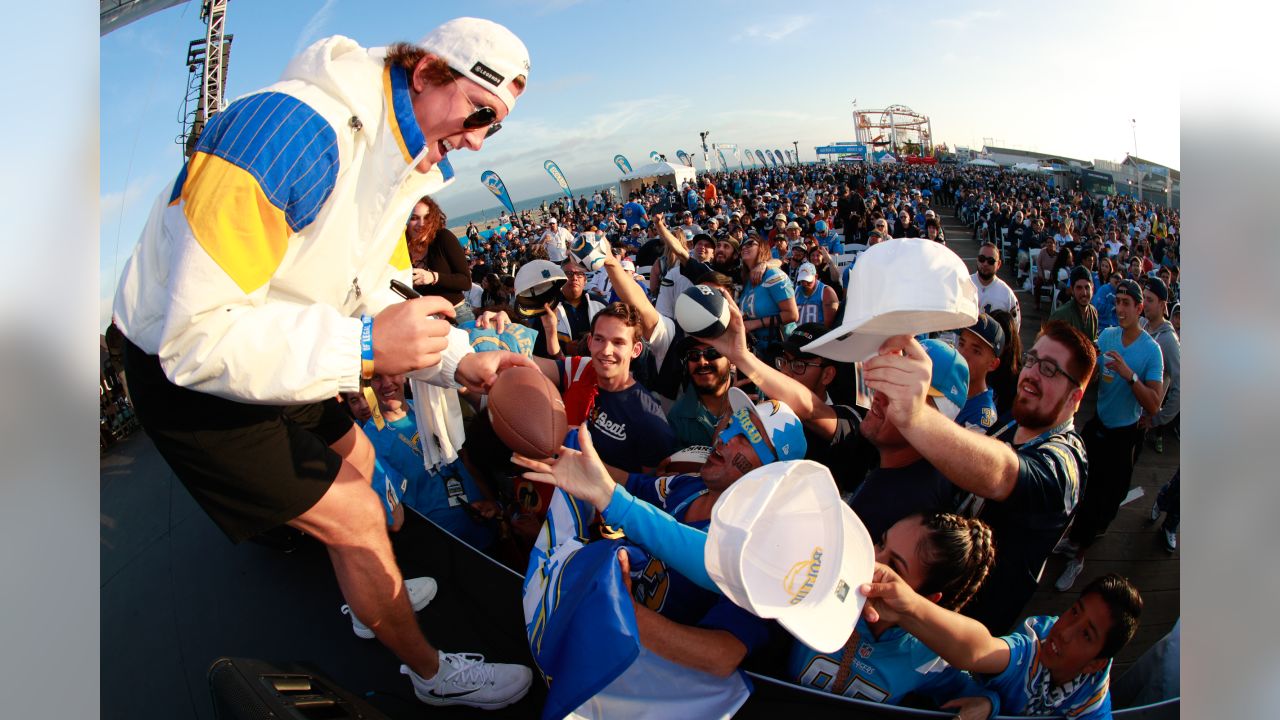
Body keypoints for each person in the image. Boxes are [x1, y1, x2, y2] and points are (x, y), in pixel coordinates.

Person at [112, 18, 535, 708]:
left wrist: (461, 361)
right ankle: (433, 678)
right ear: (425, 71)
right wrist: (365, 351)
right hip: (186, 373)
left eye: (496, 127)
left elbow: (381, 292)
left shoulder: (399, 160)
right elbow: (194, 339)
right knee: (358, 517)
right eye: (479, 112)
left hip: (280, 338)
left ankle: (370, 604)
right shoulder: (284, 136)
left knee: (365, 470)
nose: (478, 138)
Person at [512, 392, 807, 678]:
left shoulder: (755, 554)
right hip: (593, 636)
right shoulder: (688, 485)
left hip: (635, 678)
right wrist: (568, 453)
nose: (724, 439)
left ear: (771, 472)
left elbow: (721, 656)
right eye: (731, 425)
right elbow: (630, 484)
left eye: (747, 438)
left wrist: (628, 612)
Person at [861, 323, 1096, 635]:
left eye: (1050, 370)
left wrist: (914, 415)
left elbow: (1002, 474)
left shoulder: (1067, 462)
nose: (1032, 375)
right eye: (1032, 360)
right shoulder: (1011, 427)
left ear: (1075, 396)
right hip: (925, 611)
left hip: (967, 636)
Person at [862, 570, 1143, 720]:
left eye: (1086, 634)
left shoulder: (1092, 705)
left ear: (1097, 664)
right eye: (1074, 611)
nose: (1065, 632)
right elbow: (979, 651)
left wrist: (990, 706)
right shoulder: (1032, 648)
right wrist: (908, 608)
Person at [1055, 281, 1162, 592]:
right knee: (1079, 487)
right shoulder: (1108, 335)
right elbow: (1089, 374)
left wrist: (1131, 376)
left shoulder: (1151, 351)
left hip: (1122, 437)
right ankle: (1072, 539)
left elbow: (1154, 404)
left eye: (1128, 303)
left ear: (1140, 308)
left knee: (1104, 499)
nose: (1120, 308)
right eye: (1118, 302)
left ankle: (1080, 556)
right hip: (1097, 425)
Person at [406, 196, 475, 324]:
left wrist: (433, 277)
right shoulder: (401, 249)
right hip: (426, 320)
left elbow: (466, 282)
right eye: (414, 218)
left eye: (426, 218)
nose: (421, 224)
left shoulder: (443, 238)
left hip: (457, 315)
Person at [666, 339, 734, 451]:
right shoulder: (677, 418)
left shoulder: (756, 396)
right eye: (694, 355)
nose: (702, 362)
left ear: (731, 359)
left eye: (712, 353)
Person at [1139, 278, 1179, 455]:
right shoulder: (1142, 325)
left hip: (1140, 421)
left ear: (1163, 305)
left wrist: (1158, 419)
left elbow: (1181, 386)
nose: (1144, 304)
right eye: (1143, 298)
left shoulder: (1169, 340)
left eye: (1150, 300)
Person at [954, 315, 1003, 434]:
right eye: (961, 344)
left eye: (976, 351)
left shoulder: (982, 415)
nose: (963, 355)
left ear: (993, 364)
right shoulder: (949, 385)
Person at [971, 242, 1021, 332]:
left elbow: (1014, 328)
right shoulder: (964, 284)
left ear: (998, 264)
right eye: (982, 259)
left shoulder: (1007, 294)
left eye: (990, 261)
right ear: (977, 260)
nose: (985, 264)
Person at [1047, 266, 1099, 343]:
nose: (1084, 293)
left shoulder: (1093, 312)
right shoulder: (1061, 315)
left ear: (1092, 289)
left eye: (1087, 287)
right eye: (1079, 288)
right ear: (1072, 290)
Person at [793, 262, 839, 327]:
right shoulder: (796, 290)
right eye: (802, 280)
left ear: (816, 276)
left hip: (818, 334)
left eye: (808, 281)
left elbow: (828, 325)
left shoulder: (826, 292)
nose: (805, 284)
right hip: (798, 333)